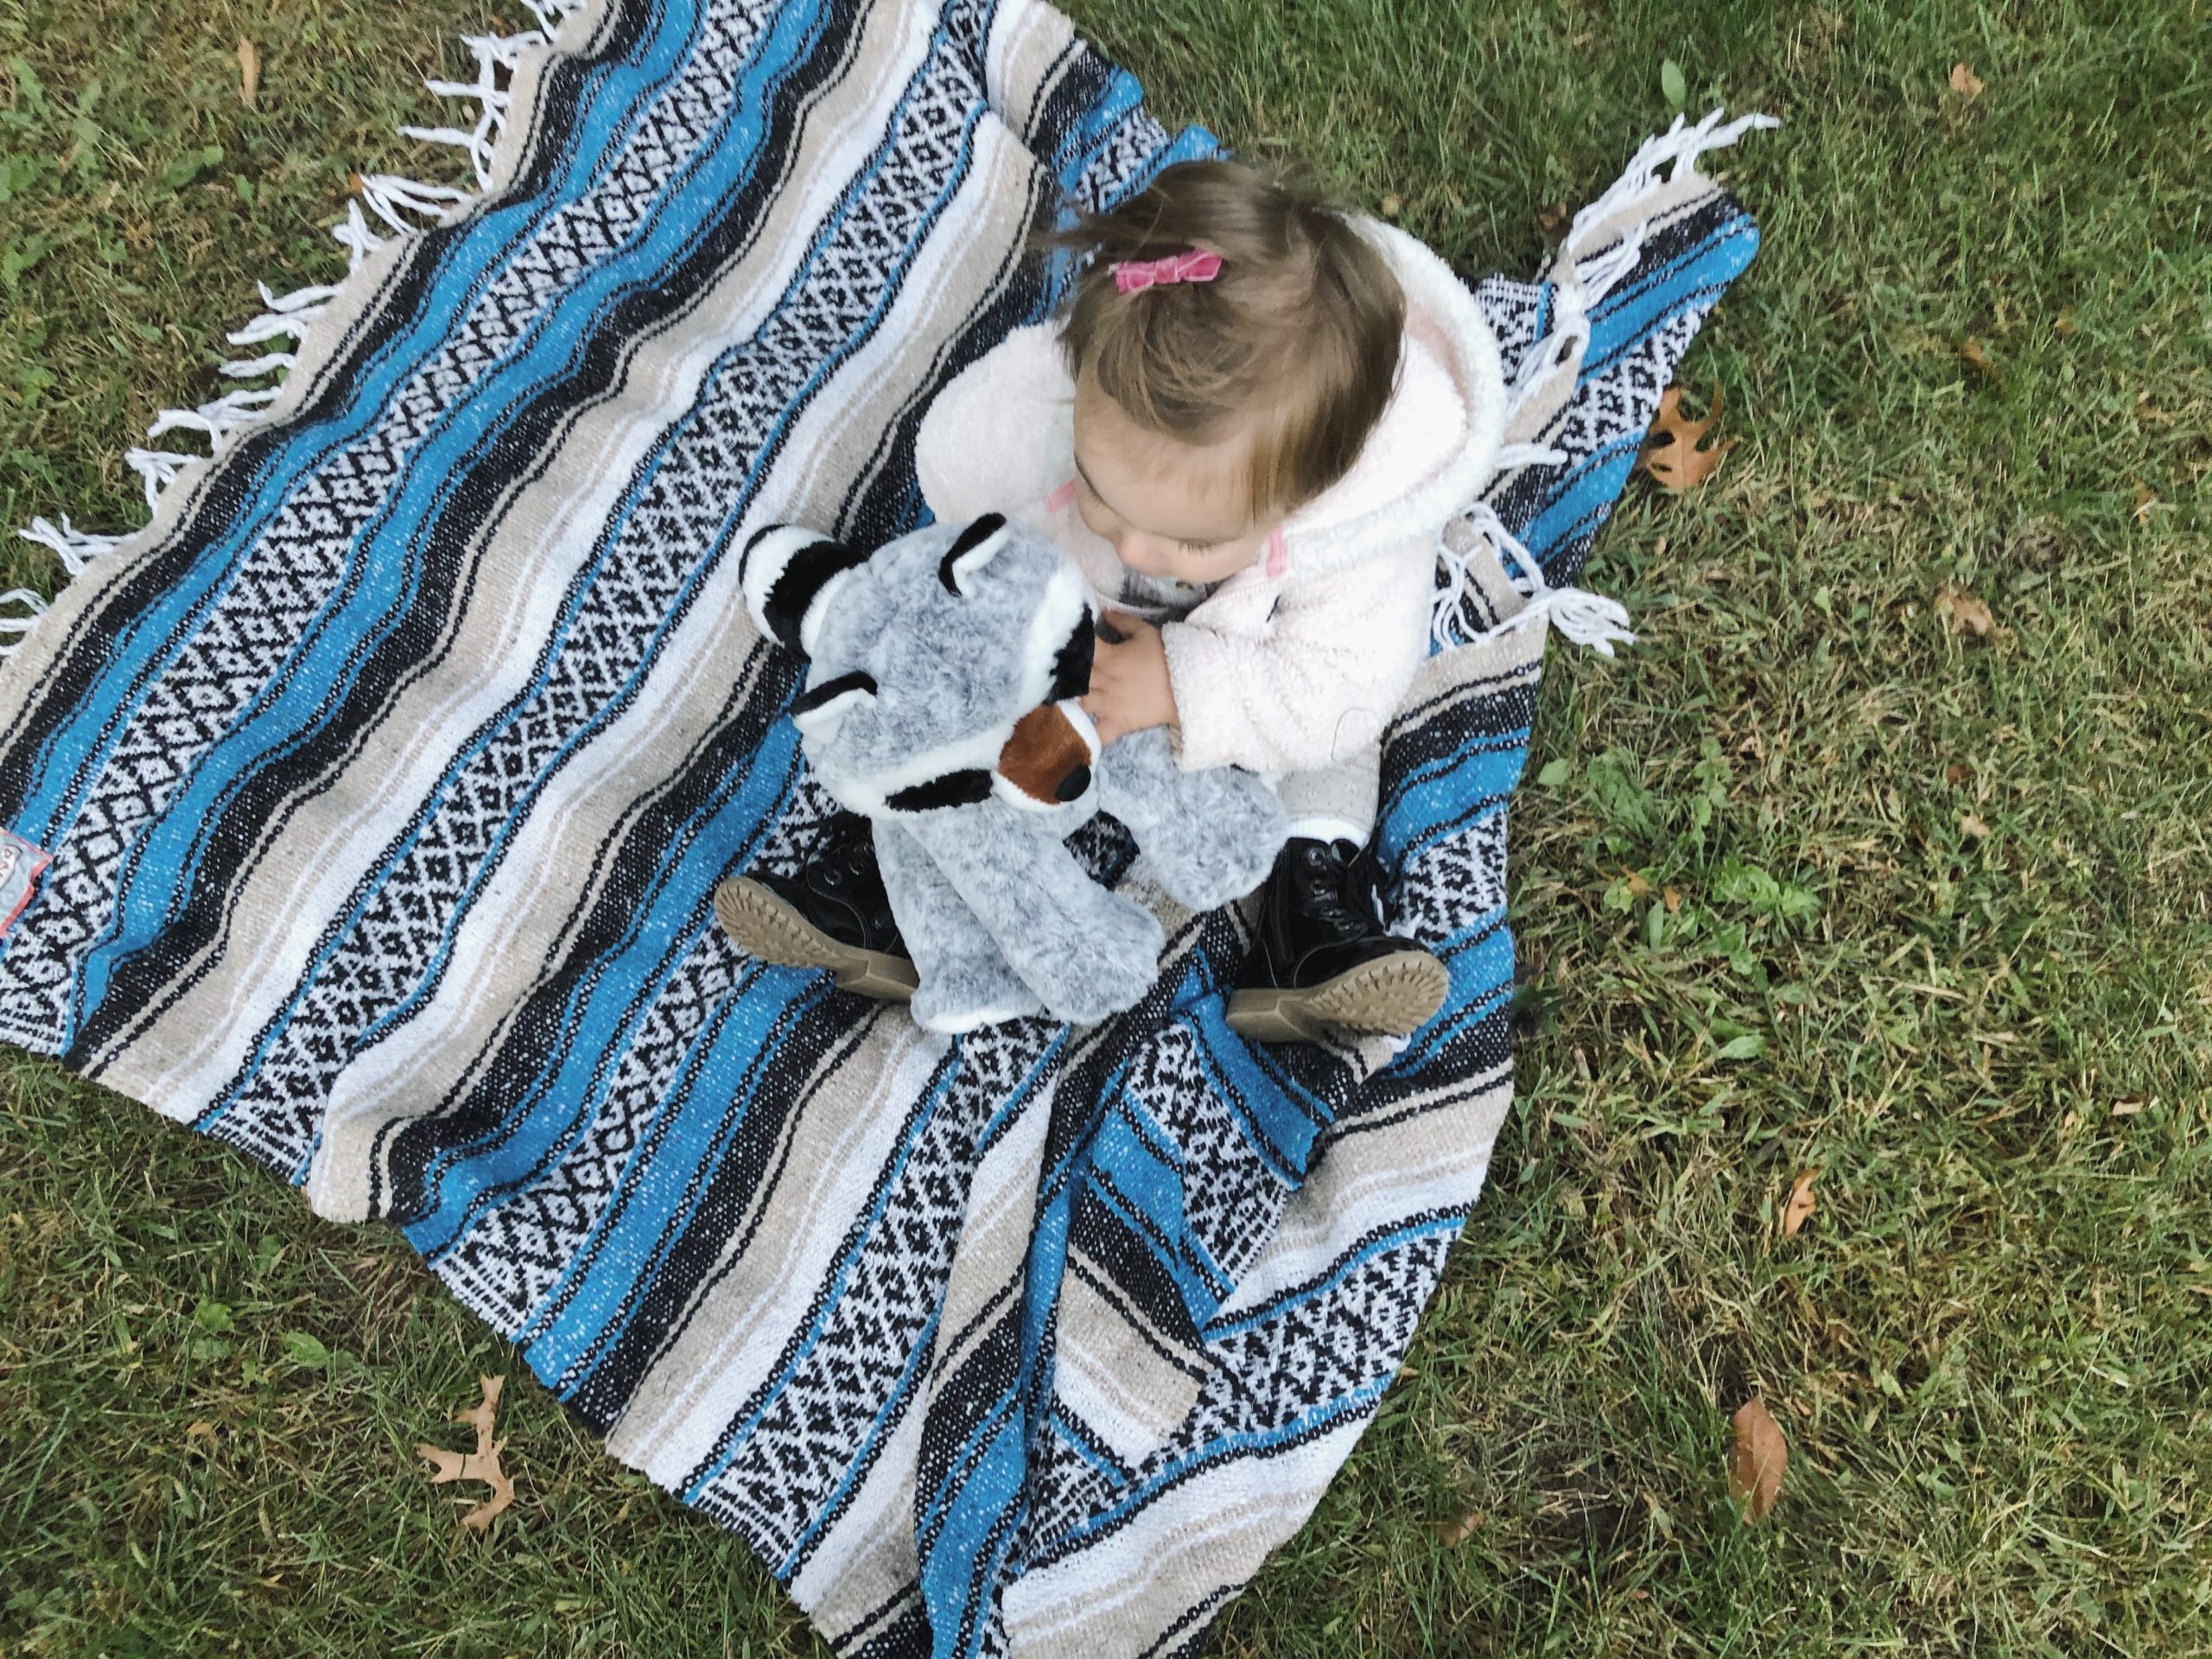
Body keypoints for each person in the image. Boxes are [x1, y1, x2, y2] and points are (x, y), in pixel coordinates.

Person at [716, 157, 1505, 1041]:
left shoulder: (1358, 530)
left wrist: (1180, 687)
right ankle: (883, 889)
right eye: (1102, 492)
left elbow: (1342, 686)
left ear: (1303, 495)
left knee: (1339, 754)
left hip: (1259, 691)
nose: (1133, 550)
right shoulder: (1070, 412)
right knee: (957, 708)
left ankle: (1311, 921)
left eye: (1192, 542)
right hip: (1076, 672)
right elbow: (972, 484)